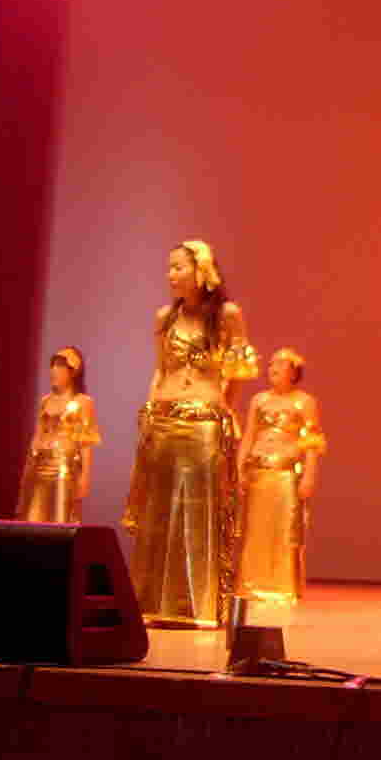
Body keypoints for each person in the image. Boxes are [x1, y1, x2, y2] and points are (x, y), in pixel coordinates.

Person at [121, 240, 257, 628]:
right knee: (158, 510)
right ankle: (151, 603)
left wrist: (224, 406)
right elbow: (160, 370)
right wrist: (150, 412)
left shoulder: (228, 315)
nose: (171, 275)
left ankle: (199, 606)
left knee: (200, 509)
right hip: (165, 418)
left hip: (203, 420)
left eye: (178, 267)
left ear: (201, 270)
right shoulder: (165, 316)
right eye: (169, 267)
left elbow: (239, 370)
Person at [234, 347, 326, 604]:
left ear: (294, 372)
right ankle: (251, 584)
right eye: (271, 364)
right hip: (258, 473)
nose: (273, 368)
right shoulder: (259, 400)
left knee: (284, 530)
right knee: (255, 530)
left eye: (280, 364)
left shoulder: (304, 402)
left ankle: (282, 586)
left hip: (286, 475)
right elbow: (249, 435)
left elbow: (311, 442)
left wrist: (309, 475)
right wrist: (239, 468)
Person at [15, 346, 99, 523]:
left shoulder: (83, 402)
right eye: (53, 365)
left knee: (60, 520)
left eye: (60, 366)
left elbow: (85, 443)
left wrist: (85, 477)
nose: (54, 370)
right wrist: (27, 471)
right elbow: (37, 436)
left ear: (73, 371)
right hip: (40, 468)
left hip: (64, 471)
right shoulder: (45, 401)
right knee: (34, 519)